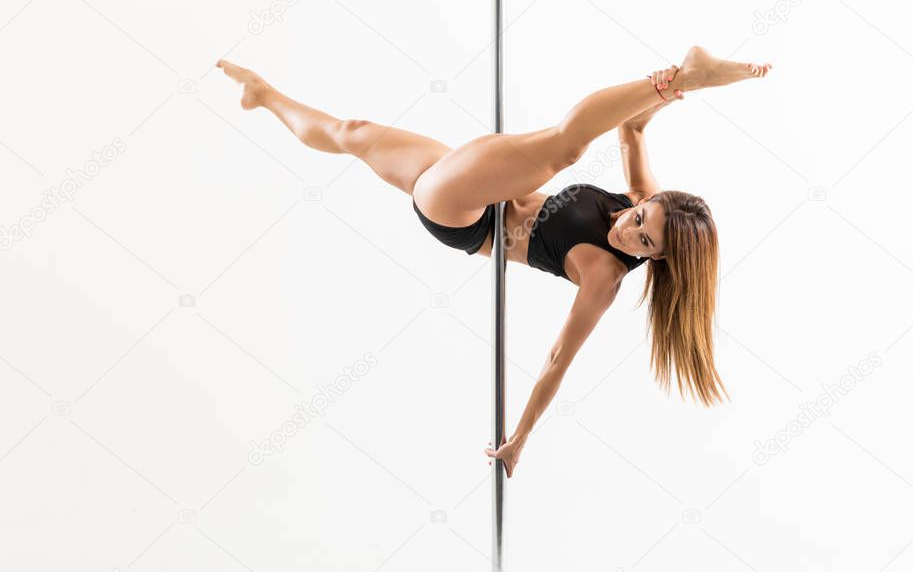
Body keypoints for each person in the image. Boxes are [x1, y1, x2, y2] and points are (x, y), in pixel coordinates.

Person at [217, 46, 771, 476]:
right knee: (353, 133)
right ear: (648, 201)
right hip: (485, 182)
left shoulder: (603, 278)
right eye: (640, 219)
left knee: (565, 146)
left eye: (645, 245)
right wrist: (662, 106)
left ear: (659, 260)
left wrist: (521, 437)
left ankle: (681, 71)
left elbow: (557, 359)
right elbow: (631, 127)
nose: (629, 232)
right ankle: (263, 95)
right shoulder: (637, 197)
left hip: (466, 215)